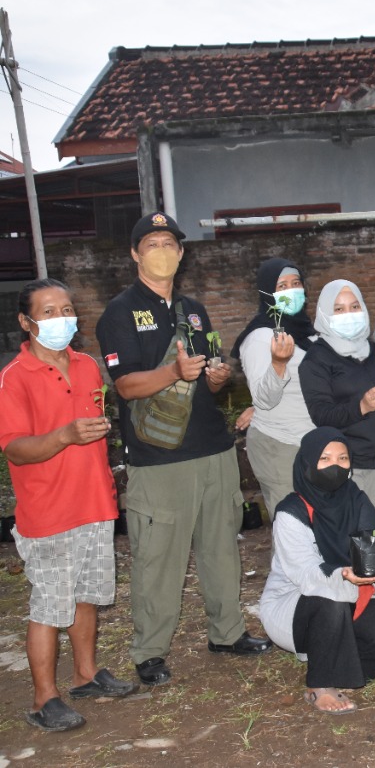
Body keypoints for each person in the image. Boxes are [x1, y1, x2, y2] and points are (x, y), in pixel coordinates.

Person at [96, 213, 272, 687]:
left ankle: (227, 632)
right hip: (159, 457)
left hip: (212, 448)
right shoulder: (120, 312)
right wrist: (174, 373)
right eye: (151, 242)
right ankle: (150, 651)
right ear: (135, 253)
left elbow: (210, 374)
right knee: (159, 558)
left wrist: (216, 378)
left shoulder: (194, 309)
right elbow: (127, 385)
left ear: (181, 252)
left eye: (169, 242)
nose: (162, 249)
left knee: (221, 548)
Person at [0, 280, 136, 732]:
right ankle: (44, 699)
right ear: (26, 322)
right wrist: (64, 436)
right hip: (49, 512)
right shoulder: (15, 378)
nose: (62, 319)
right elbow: (15, 449)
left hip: (94, 502)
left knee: (87, 595)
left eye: (67, 310)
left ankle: (85, 674)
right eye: (49, 312)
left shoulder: (86, 367)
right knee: (49, 607)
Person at [260, 427, 375, 715]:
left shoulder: (357, 501)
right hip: (293, 607)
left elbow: (374, 572)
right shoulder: (291, 512)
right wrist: (344, 574)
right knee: (330, 599)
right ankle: (321, 683)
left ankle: (341, 666)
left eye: (343, 458)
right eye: (325, 458)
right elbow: (305, 576)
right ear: (307, 462)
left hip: (350, 594)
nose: (336, 465)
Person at [298, 280, 375, 521]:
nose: (348, 315)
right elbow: (321, 414)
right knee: (349, 537)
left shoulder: (372, 351)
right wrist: (361, 407)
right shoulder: (316, 359)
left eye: (354, 307)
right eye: (338, 309)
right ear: (324, 314)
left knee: (374, 534)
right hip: (348, 466)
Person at [231, 258, 316, 518]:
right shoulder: (260, 337)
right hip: (281, 447)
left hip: (313, 443)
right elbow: (265, 398)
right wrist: (279, 364)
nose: (292, 290)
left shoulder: (310, 334)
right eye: (282, 286)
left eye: (296, 283)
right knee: (293, 530)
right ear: (268, 292)